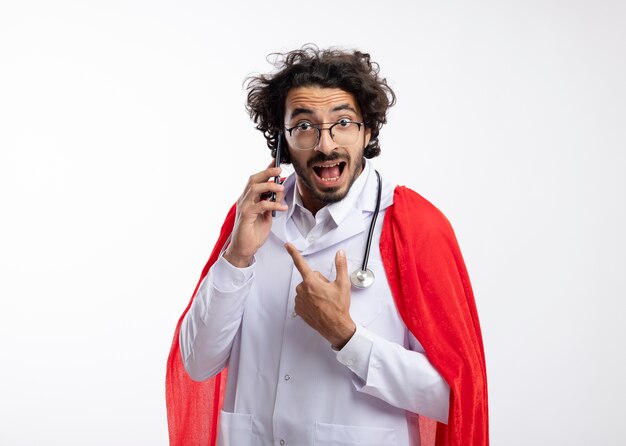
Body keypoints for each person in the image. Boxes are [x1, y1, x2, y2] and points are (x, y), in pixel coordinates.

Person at [166, 45, 488, 446]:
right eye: (304, 126)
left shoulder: (412, 226)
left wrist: (346, 336)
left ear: (367, 130)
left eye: (343, 123)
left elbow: (454, 396)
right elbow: (196, 365)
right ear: (281, 141)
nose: (326, 144)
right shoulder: (251, 217)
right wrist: (238, 257)